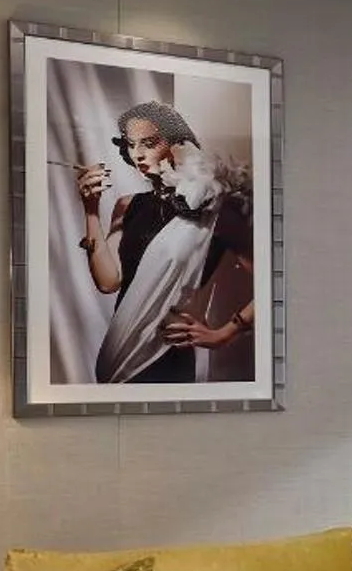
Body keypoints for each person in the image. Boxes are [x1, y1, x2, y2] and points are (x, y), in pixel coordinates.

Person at [73, 99, 256, 385]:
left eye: (148, 143)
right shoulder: (127, 206)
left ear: (177, 142)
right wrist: (91, 209)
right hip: (117, 355)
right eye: (131, 145)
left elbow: (274, 281)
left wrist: (224, 334)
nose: (138, 155)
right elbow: (109, 282)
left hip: (167, 356)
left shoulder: (212, 206)